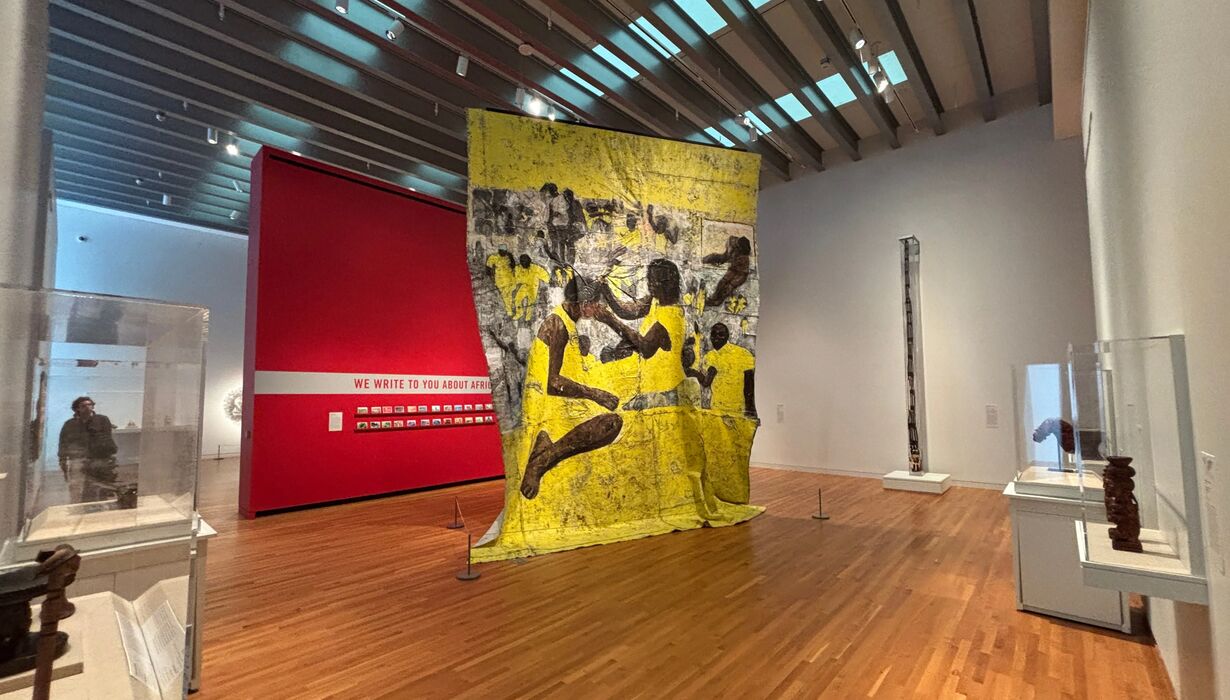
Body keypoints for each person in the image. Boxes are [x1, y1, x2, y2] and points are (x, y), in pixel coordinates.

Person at [519, 276, 623, 499]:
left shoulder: (566, 322)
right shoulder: (558, 325)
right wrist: (595, 394)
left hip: (553, 401)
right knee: (611, 423)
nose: (598, 309)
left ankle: (545, 445)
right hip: (545, 404)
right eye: (596, 303)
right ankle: (542, 461)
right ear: (584, 303)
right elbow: (553, 382)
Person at [58, 396, 118, 503]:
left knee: (102, 486)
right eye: (83, 406)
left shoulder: (102, 419)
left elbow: (106, 438)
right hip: (79, 459)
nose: (87, 408)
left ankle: (101, 508)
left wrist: (109, 457)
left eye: (90, 405)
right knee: (77, 487)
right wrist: (62, 459)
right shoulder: (70, 424)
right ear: (77, 408)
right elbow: (63, 442)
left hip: (99, 458)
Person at [690, 323, 757, 417]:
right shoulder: (710, 356)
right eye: (714, 334)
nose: (716, 338)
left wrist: (693, 373)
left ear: (727, 336)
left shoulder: (742, 354)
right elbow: (707, 381)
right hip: (722, 408)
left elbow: (749, 385)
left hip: (731, 409)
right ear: (710, 337)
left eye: (720, 334)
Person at [511, 254, 551, 321]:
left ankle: (528, 318)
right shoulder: (518, 268)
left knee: (531, 303)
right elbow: (515, 278)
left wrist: (549, 280)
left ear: (529, 261)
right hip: (524, 286)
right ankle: (519, 313)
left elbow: (544, 274)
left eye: (525, 261)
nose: (524, 263)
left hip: (533, 287)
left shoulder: (535, 268)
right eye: (522, 261)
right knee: (517, 299)